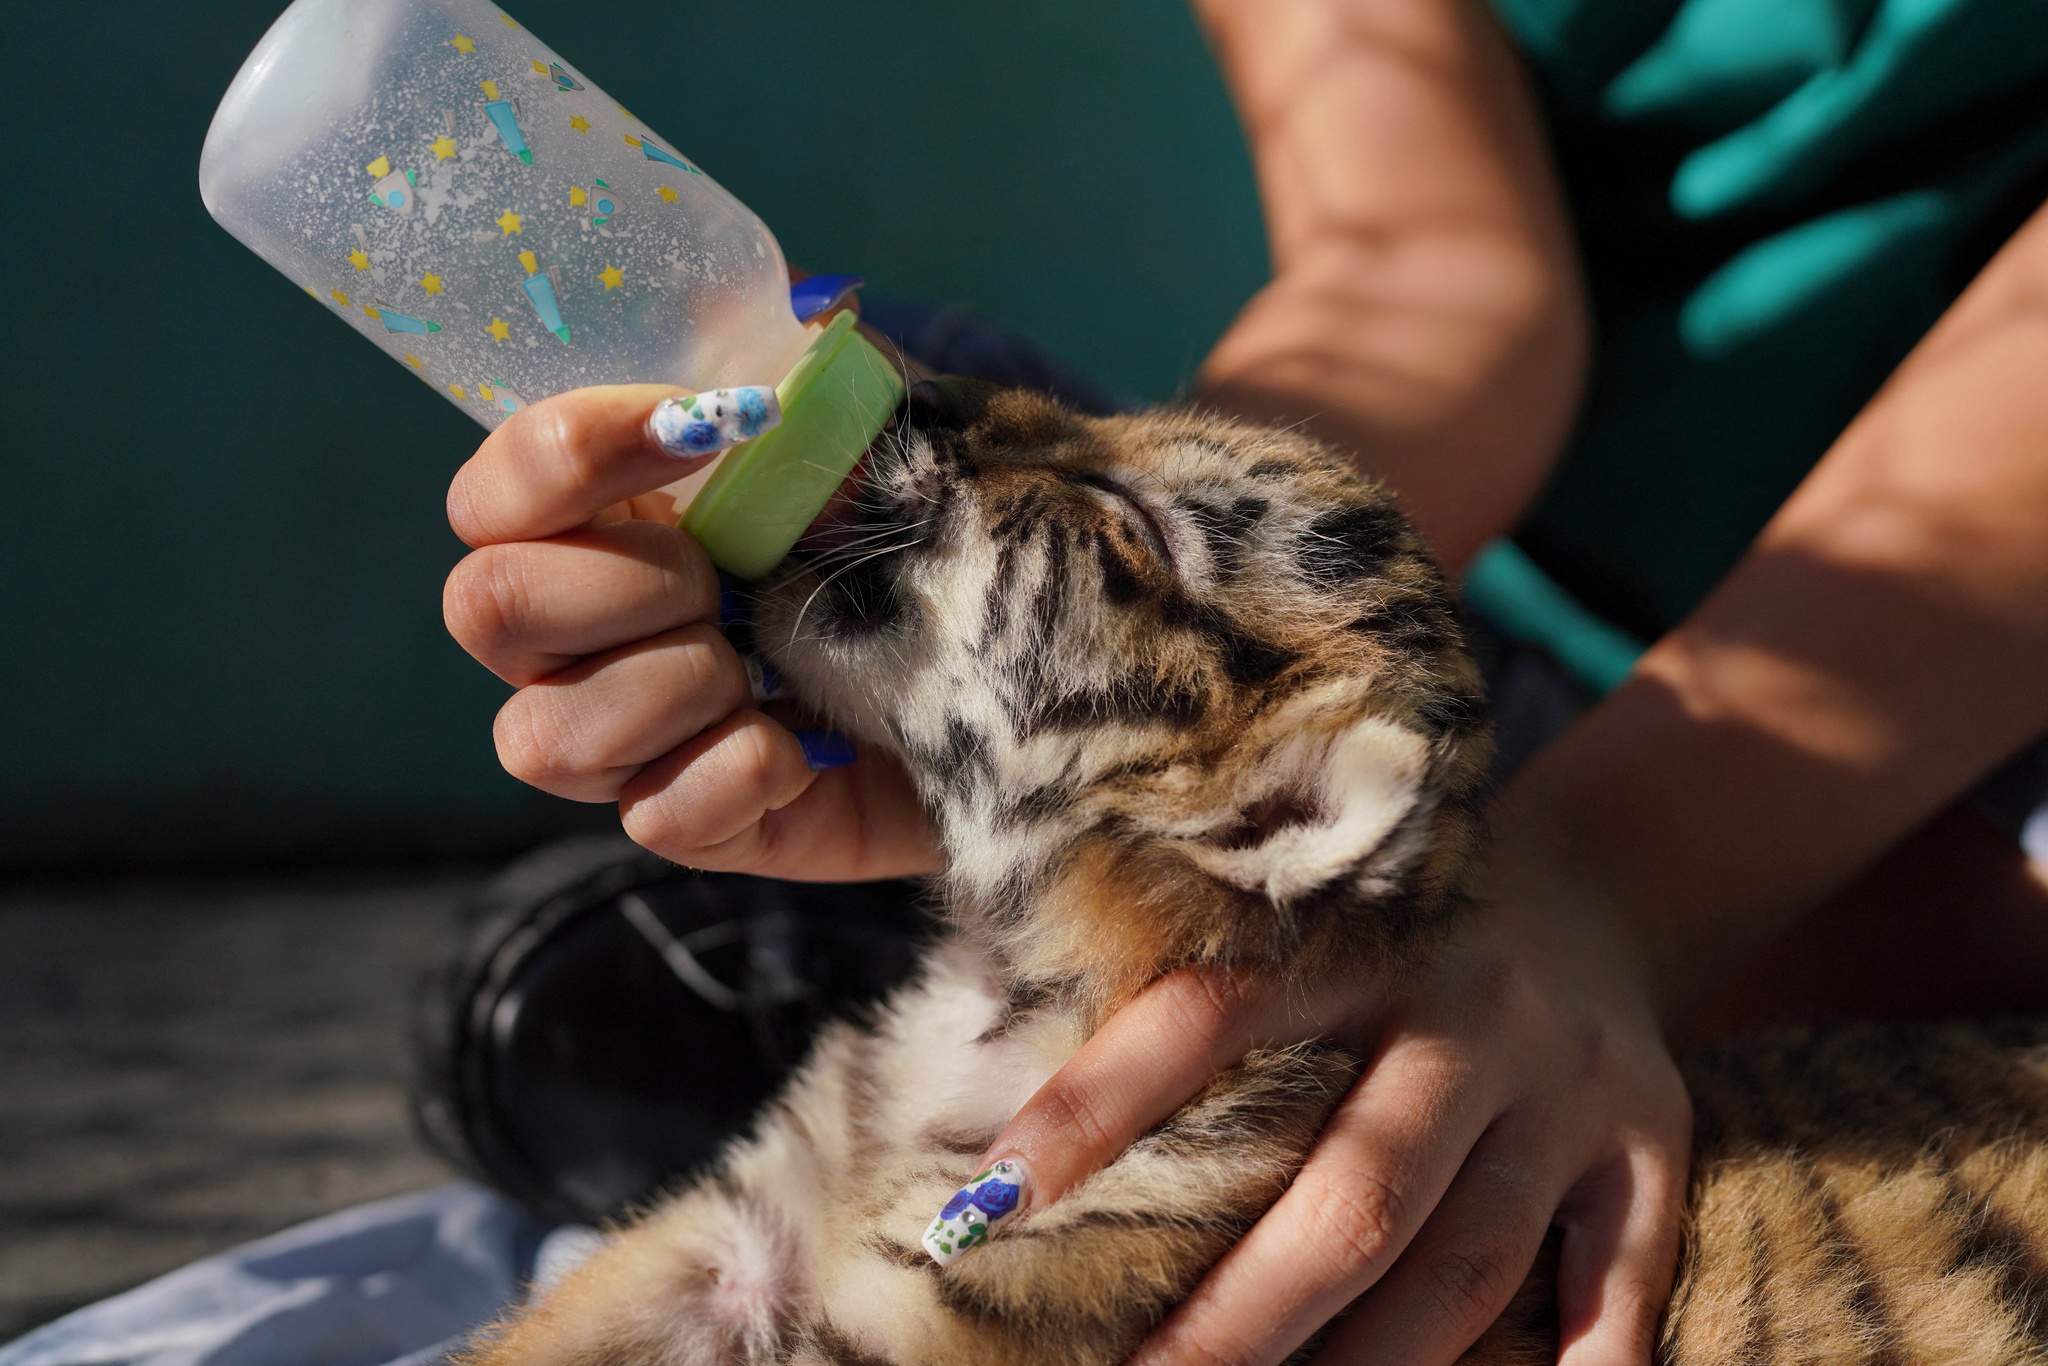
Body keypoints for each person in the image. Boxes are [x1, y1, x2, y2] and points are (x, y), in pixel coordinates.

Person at [440, 0, 2048, 1360]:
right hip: (1457, 671)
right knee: (829, 393)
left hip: (1936, 712)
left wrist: (1594, 884)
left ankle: (948, 988)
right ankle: (990, 941)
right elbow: (1425, 262)